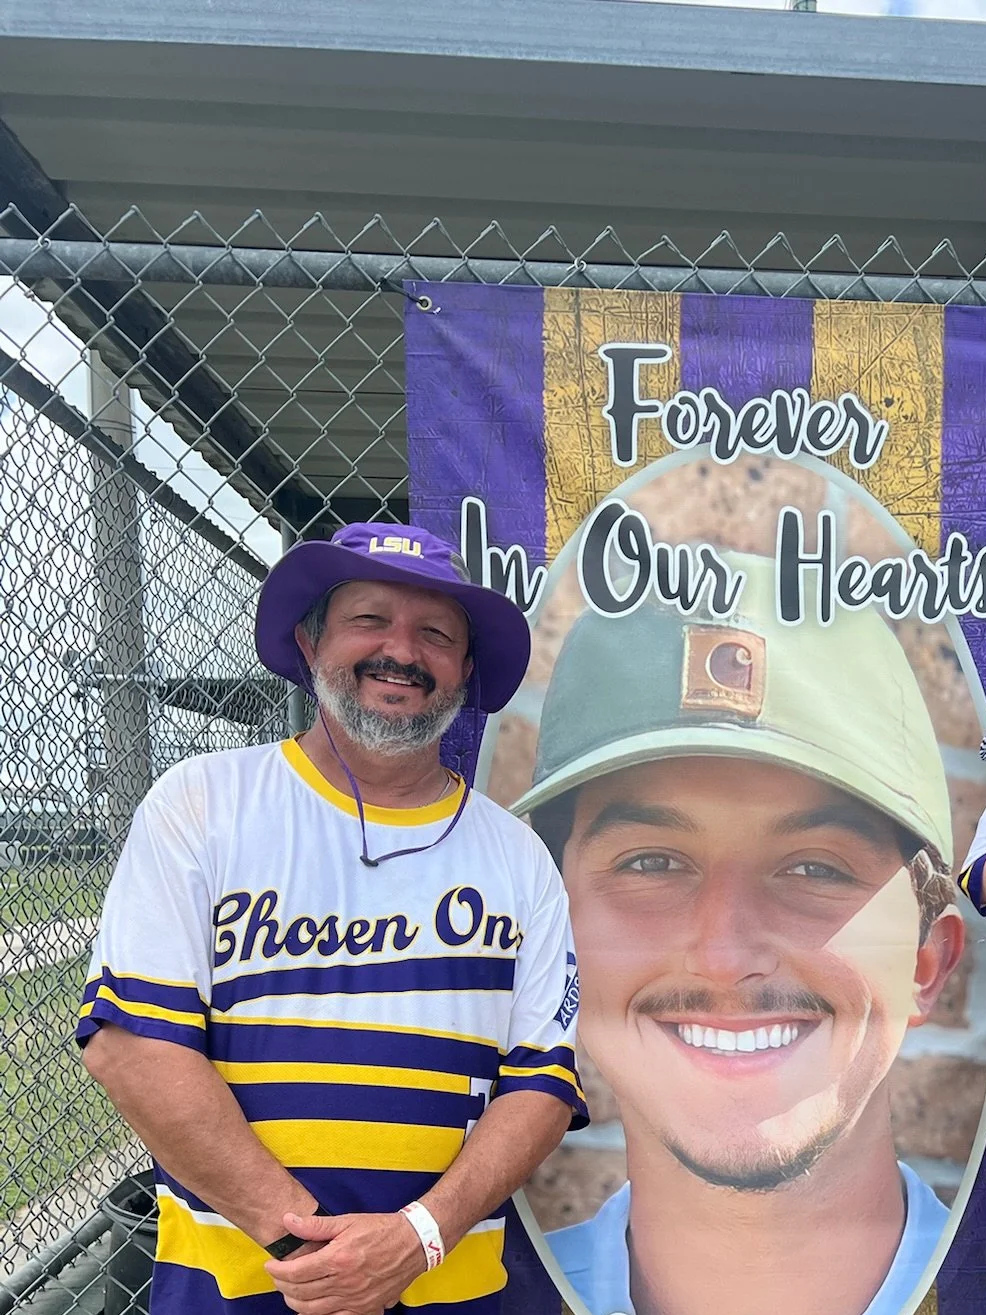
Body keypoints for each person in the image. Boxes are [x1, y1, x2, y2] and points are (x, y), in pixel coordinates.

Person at [78, 522, 587, 1315]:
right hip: (241, 1287)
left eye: (436, 634)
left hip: (453, 1286)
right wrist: (309, 1247)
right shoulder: (203, 803)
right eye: (369, 620)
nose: (402, 651)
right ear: (310, 640)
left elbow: (544, 1082)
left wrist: (415, 1236)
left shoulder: (518, 855)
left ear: (466, 670)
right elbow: (132, 1044)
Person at [513, 552, 966, 1315]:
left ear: (926, 962)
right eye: (653, 861)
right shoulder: (481, 1296)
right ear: (555, 944)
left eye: (816, 869)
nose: (726, 956)